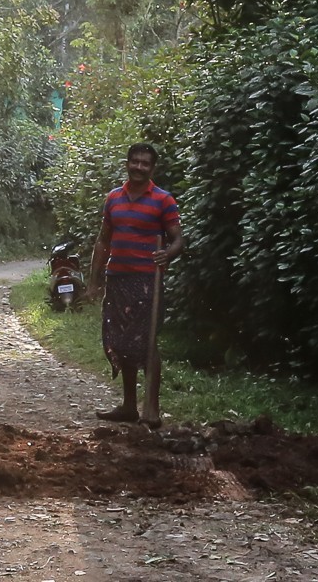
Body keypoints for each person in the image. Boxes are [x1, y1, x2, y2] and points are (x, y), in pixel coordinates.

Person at [87, 143, 184, 429]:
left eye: (145, 164)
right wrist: (94, 281)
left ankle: (151, 408)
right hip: (117, 279)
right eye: (135, 162)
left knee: (147, 342)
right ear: (127, 163)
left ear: (152, 169)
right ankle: (129, 406)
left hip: (147, 282)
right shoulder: (114, 198)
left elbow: (178, 239)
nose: (139, 167)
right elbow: (103, 240)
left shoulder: (164, 200)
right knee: (120, 342)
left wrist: (169, 252)